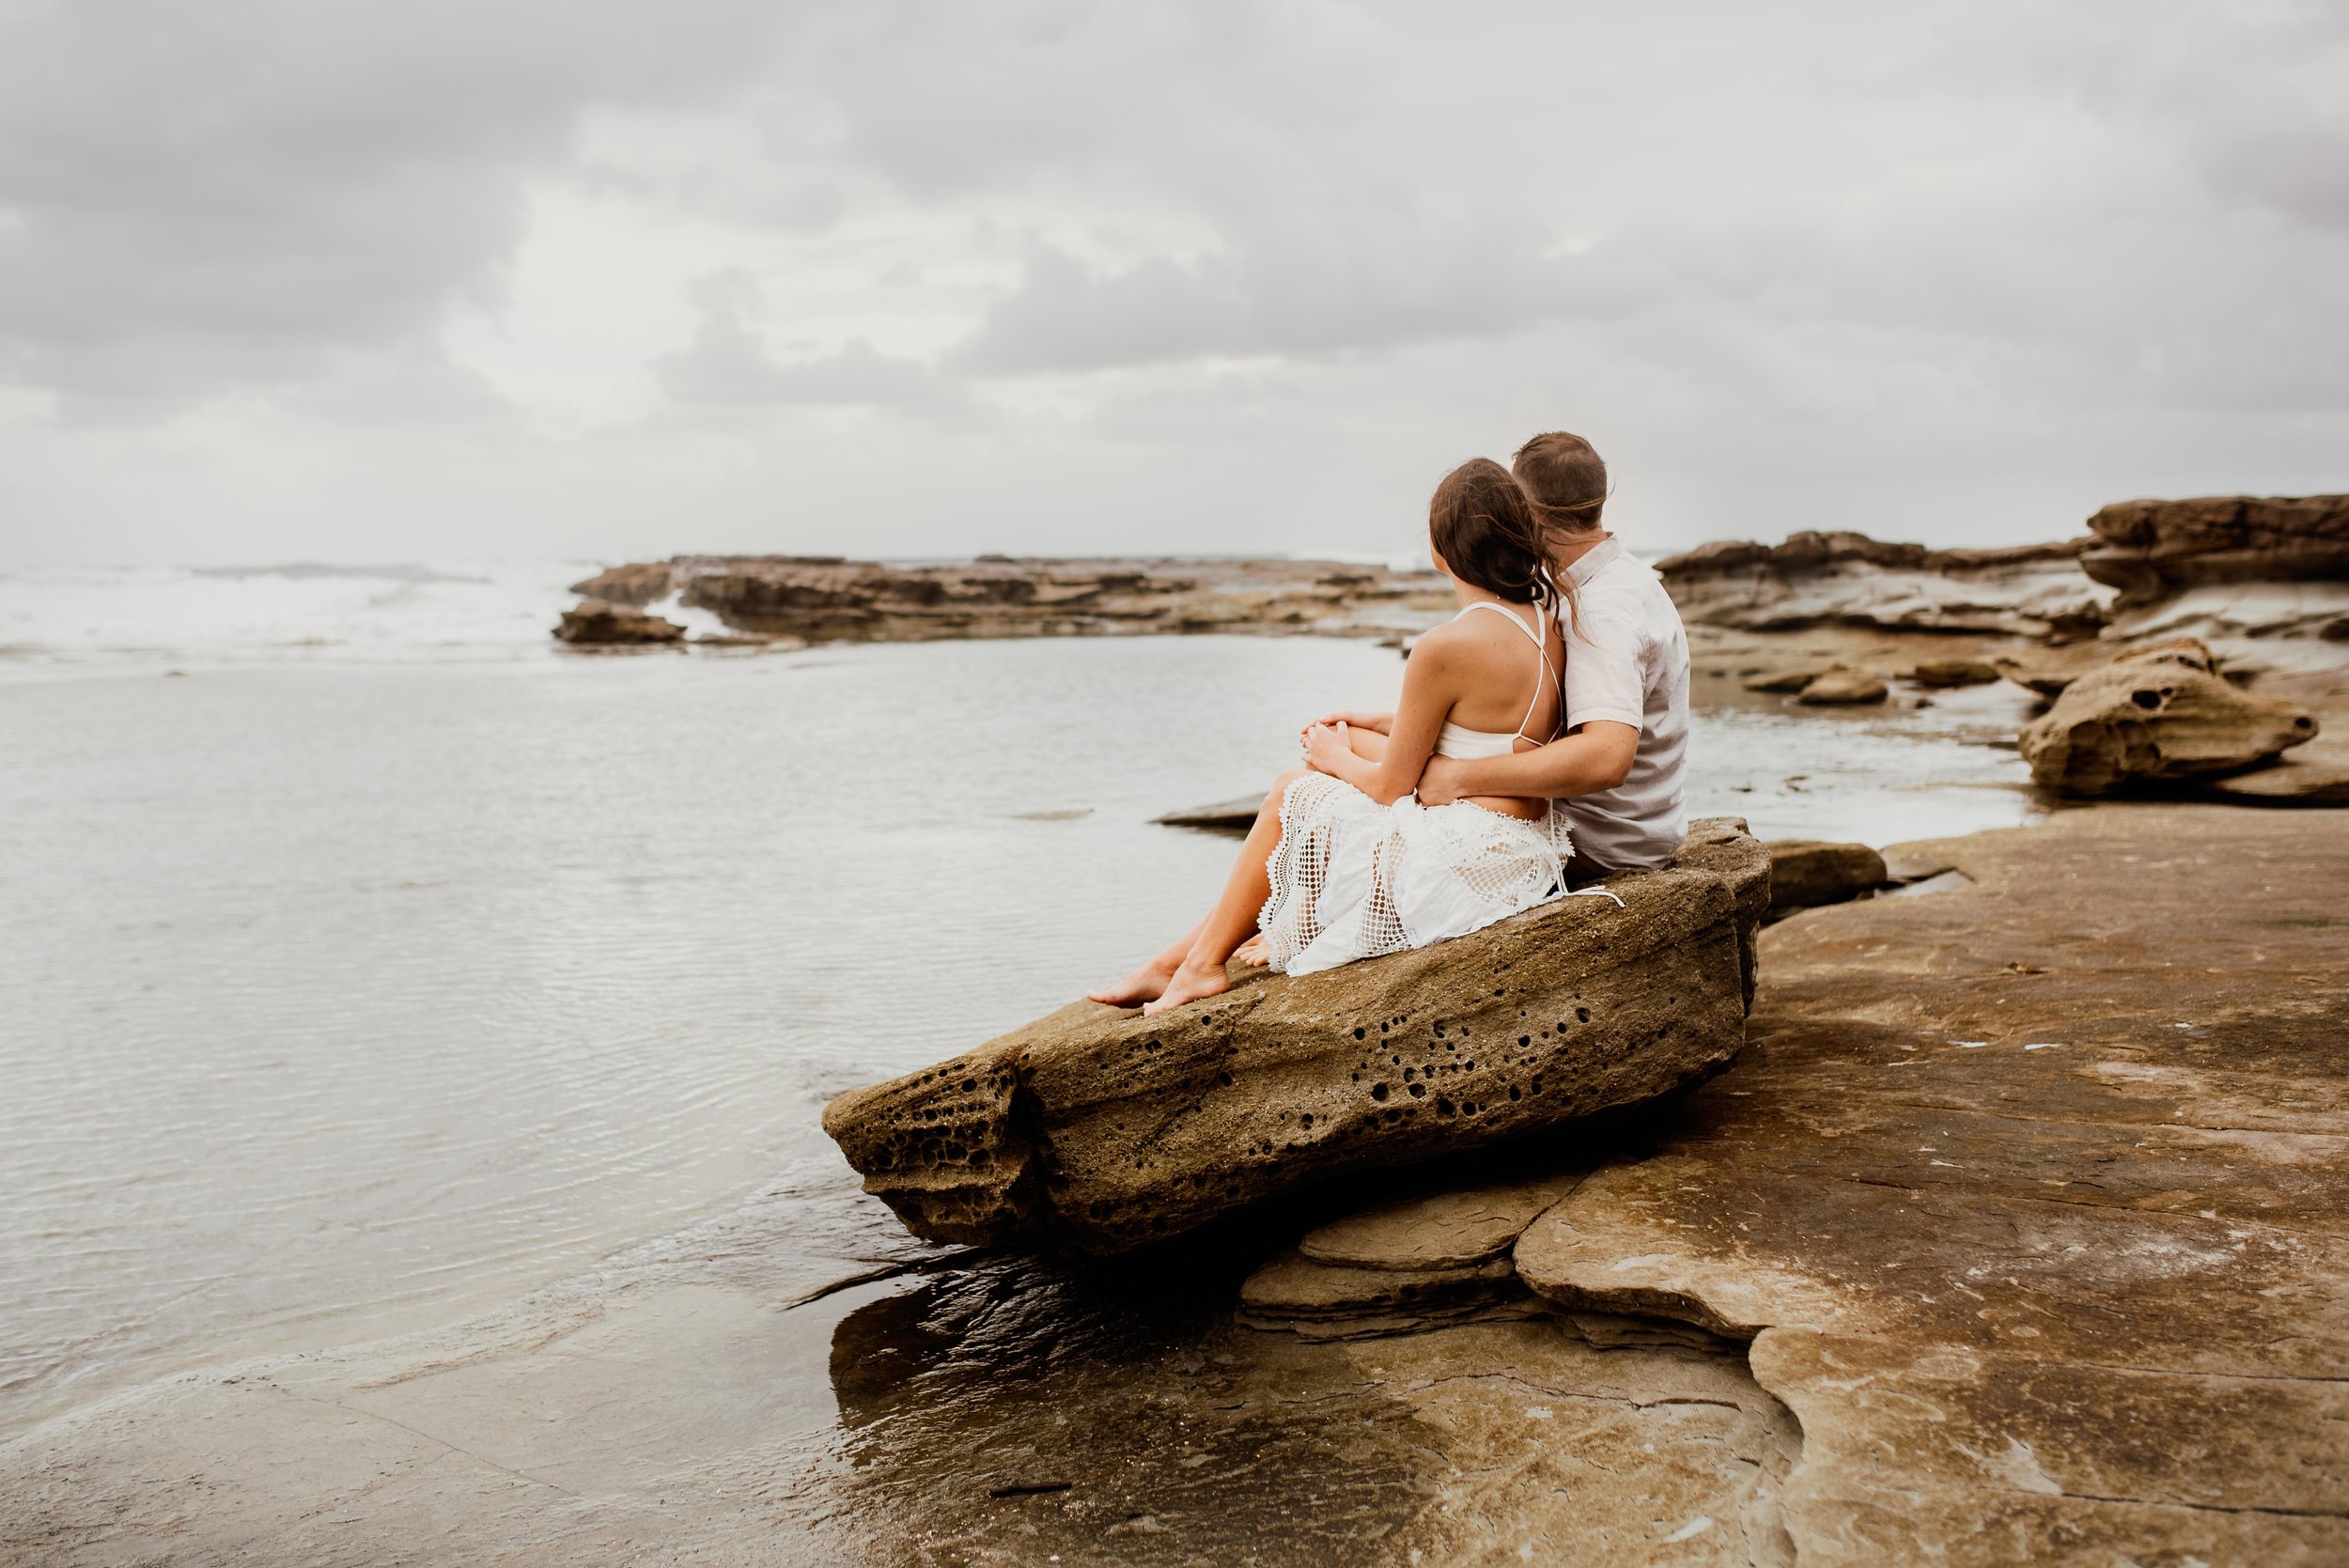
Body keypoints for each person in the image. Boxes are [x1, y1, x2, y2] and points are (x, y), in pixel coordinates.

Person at [1090, 458, 1581, 1015]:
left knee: (1291, 788)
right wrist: (1377, 724)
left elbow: (1390, 788)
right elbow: (1487, 733)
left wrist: (1335, 753)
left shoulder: (1444, 646)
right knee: (1333, 759)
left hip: (1471, 862)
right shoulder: (1546, 622)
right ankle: (1182, 958)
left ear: (1441, 548)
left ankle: (1202, 964)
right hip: (1523, 848)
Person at [1413, 431, 1688, 878]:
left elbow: (1606, 757)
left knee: (1377, 803)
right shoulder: (1601, 581)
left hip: (1599, 845)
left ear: (1529, 512)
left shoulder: (1604, 610)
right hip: (1615, 828)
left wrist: (1461, 776)